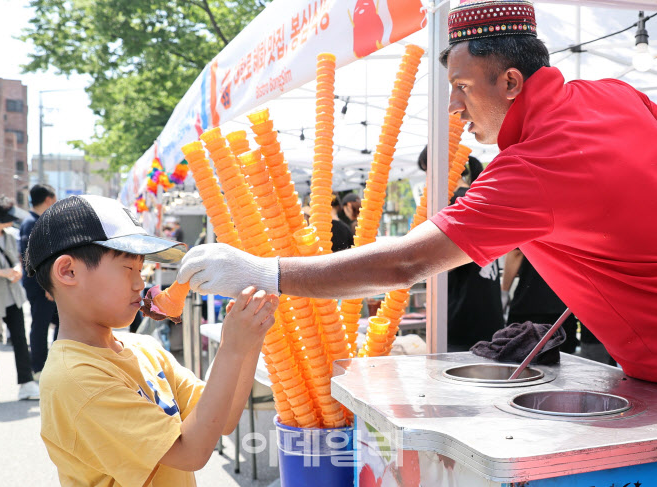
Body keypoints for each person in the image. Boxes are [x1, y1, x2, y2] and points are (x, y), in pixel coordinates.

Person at [175, 0, 657, 383]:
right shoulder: (614, 94)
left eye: (462, 86)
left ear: (511, 81)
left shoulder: (532, 167)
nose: (454, 106)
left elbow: (405, 263)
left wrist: (263, 271)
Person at [25, 195, 277, 486]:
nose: (140, 283)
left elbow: (225, 418)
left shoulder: (143, 348)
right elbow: (190, 452)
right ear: (68, 271)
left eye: (141, 269)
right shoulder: (76, 379)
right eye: (127, 268)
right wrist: (232, 349)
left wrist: (249, 337)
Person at [421, 146, 504, 350]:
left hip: (463, 312)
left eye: (427, 171)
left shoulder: (452, 202)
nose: (427, 180)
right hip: (489, 309)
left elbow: (439, 260)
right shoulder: (478, 196)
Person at [0, 194, 39, 404]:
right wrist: (1, 273)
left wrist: (17, 270)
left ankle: (26, 383)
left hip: (11, 295)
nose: (11, 220)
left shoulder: (9, 235)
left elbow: (16, 258)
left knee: (19, 339)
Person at [502, 249, 579, 354]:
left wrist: (504, 292)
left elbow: (516, 253)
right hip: (564, 307)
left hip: (529, 303)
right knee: (562, 361)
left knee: (521, 360)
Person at [19, 183, 58, 380]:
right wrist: (47, 285)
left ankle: (53, 363)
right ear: (49, 199)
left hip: (46, 284)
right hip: (40, 285)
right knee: (40, 325)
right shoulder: (31, 223)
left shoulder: (37, 221)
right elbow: (31, 257)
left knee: (58, 321)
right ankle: (39, 369)